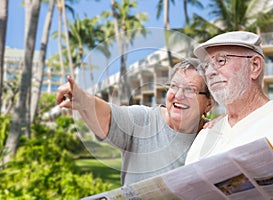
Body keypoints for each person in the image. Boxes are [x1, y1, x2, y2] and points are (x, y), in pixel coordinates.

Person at [56, 57, 215, 185]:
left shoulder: (214, 134)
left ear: (208, 104)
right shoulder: (143, 119)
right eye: (174, 86)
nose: (178, 95)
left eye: (190, 90)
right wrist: (85, 102)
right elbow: (108, 117)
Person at [185, 31, 273, 186]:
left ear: (254, 66)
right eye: (206, 66)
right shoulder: (205, 135)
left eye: (221, 60)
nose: (210, 72)